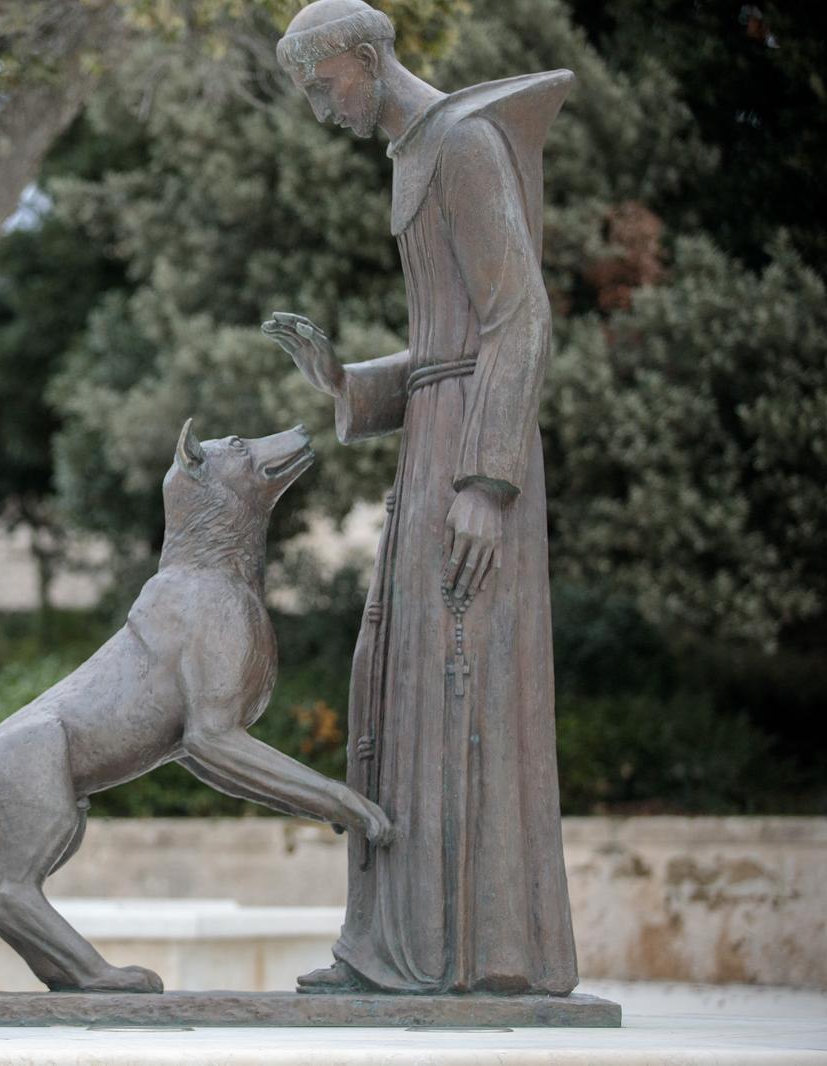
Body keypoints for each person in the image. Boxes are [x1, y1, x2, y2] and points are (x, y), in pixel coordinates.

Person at [261, 0, 579, 995]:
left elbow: (516, 319)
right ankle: (399, 948)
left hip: (472, 462)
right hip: (433, 448)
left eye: (322, 87)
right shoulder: (416, 154)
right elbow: (447, 348)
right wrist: (350, 381)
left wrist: (486, 486)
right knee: (405, 688)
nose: (320, 110)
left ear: (363, 58)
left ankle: (480, 955)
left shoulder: (466, 143)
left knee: (462, 684)